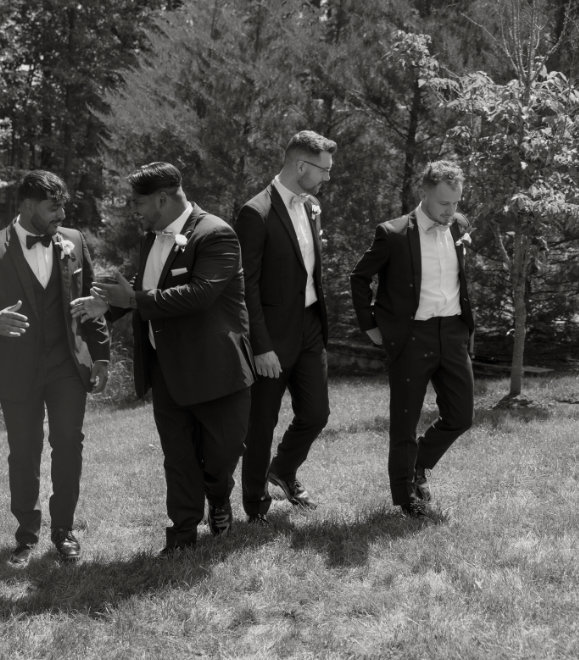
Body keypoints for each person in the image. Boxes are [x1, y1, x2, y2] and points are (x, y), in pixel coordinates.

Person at [88, 162, 254, 554]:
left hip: (215, 367)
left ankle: (218, 495)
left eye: (139, 203)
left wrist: (133, 299)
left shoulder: (216, 234)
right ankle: (182, 533)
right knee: (178, 457)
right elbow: (149, 287)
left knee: (222, 453)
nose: (135, 211)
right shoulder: (150, 237)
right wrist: (107, 306)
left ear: (162, 199)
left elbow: (200, 294)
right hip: (165, 367)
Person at [0, 170, 109, 566]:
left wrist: (100, 354)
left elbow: (89, 300)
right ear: (28, 205)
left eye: (63, 206)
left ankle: (63, 529)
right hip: (17, 367)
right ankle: (26, 533)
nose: (61, 215)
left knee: (69, 444)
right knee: (24, 451)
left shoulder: (73, 241)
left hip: (67, 365)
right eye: (53, 207)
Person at [349, 161, 475, 518]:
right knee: (404, 420)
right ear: (424, 193)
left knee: (461, 415)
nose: (451, 211)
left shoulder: (459, 226)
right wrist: (370, 325)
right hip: (411, 336)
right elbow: (359, 278)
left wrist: (464, 328)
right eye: (444, 203)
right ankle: (406, 497)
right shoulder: (393, 234)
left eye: (456, 202)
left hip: (453, 332)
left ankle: (418, 463)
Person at [235, 130, 335, 523]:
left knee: (317, 413)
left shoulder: (312, 207)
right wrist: (261, 345)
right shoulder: (255, 212)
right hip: (272, 335)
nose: (327, 177)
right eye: (323, 170)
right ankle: (256, 504)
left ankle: (284, 469)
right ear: (301, 166)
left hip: (309, 326)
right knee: (261, 423)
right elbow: (246, 285)